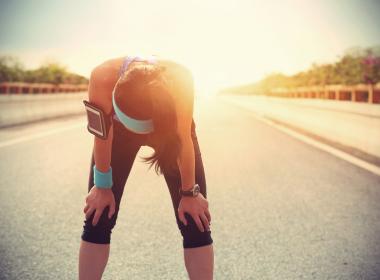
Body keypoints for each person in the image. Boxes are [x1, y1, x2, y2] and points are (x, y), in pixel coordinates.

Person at [78, 54, 214, 280]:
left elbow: (183, 138)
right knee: (98, 214)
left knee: (195, 218)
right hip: (118, 134)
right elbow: (102, 135)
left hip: (168, 130)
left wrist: (190, 193)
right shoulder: (102, 77)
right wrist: (102, 187)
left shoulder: (179, 80)